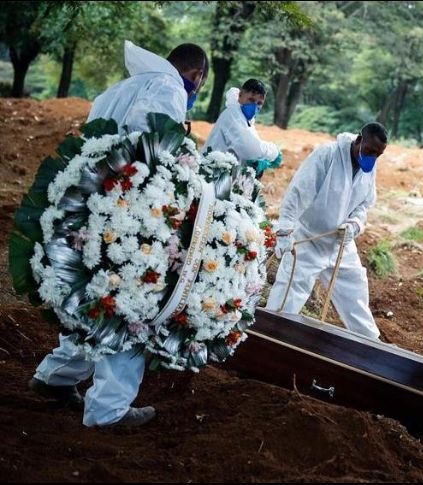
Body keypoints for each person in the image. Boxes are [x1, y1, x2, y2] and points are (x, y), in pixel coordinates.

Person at [29, 40, 209, 428]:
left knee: (96, 298)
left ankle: (55, 377)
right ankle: (108, 410)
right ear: (196, 76)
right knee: (133, 307)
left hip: (92, 204)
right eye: (200, 85)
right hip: (131, 212)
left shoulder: (121, 88)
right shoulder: (169, 88)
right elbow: (152, 151)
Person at [265, 122, 388, 340]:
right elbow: (297, 193)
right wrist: (284, 230)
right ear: (359, 140)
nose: (372, 158)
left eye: (378, 155)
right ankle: (269, 337)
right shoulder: (327, 155)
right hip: (309, 239)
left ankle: (372, 345)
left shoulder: (369, 169)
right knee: (288, 295)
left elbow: (364, 205)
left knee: (355, 293)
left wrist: (354, 225)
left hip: (340, 244)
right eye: (370, 151)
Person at [203, 78, 282, 178]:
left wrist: (258, 162)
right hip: (210, 175)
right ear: (240, 95)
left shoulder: (246, 121)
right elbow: (250, 149)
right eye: (251, 100)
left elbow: (247, 150)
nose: (254, 106)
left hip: (222, 175)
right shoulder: (233, 115)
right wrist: (273, 152)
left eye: (259, 103)